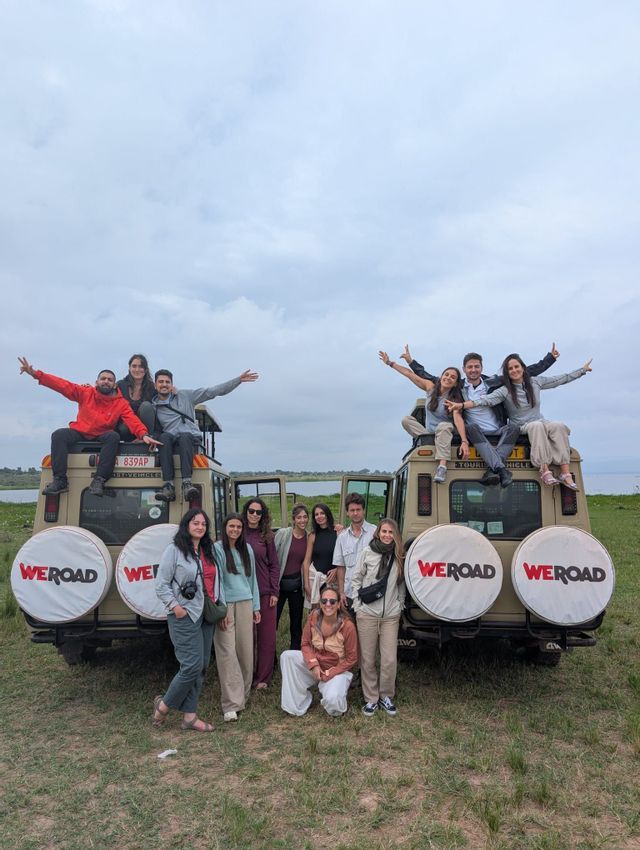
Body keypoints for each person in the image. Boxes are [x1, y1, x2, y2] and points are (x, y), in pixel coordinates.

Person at [401, 343, 560, 487]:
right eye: (470, 367)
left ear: (481, 368)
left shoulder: (494, 382)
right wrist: (410, 361)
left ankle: (494, 469)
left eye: (476, 366)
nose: (473, 370)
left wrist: (550, 359)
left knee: (513, 428)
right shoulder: (458, 387)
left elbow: (524, 372)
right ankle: (501, 469)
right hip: (476, 433)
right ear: (464, 370)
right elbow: (427, 376)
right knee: (471, 427)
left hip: (497, 431)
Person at [18, 356, 160, 497]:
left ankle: (99, 480)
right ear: (96, 382)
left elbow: (132, 419)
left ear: (115, 385)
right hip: (81, 431)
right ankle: (60, 480)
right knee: (58, 435)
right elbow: (62, 385)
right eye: (103, 378)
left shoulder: (120, 402)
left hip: (102, 434)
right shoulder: (85, 392)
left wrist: (144, 435)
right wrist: (36, 374)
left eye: (110, 380)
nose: (106, 381)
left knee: (113, 436)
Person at [448, 355, 593, 490]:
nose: (514, 370)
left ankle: (565, 472)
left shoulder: (533, 382)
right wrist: (461, 405)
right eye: (510, 369)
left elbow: (559, 379)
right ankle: (540, 469)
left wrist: (582, 370)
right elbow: (486, 400)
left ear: (523, 368)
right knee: (536, 427)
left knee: (558, 426)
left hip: (529, 422)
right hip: (519, 425)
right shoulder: (503, 390)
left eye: (517, 367)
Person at [152, 508, 222, 732]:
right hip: (184, 615)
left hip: (206, 614)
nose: (200, 527)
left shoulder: (207, 550)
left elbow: (215, 580)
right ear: (186, 525)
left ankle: (190, 717)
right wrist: (175, 607)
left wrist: (220, 604)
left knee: (201, 666)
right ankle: (163, 706)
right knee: (190, 666)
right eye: (195, 523)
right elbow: (161, 583)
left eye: (203, 524)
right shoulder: (174, 551)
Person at [153, 368, 259, 503]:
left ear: (172, 384)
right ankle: (168, 486)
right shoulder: (154, 406)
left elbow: (212, 392)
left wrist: (238, 380)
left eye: (167, 382)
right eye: (161, 382)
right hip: (171, 441)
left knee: (185, 436)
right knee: (163, 438)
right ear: (155, 385)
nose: (164, 384)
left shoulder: (185, 396)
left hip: (189, 438)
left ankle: (187, 483)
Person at [378, 353, 469, 485]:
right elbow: (410, 374)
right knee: (406, 420)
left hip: (445, 433)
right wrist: (390, 363)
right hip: (429, 434)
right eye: (447, 375)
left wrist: (464, 441)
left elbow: (458, 418)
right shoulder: (430, 387)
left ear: (455, 384)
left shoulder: (454, 399)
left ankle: (442, 467)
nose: (448, 378)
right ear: (442, 376)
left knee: (444, 425)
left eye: (453, 377)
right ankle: (426, 442)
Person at [350, 519, 406, 717]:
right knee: (367, 658)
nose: (387, 535)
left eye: (391, 532)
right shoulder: (368, 552)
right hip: (368, 614)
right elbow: (356, 579)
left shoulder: (399, 555)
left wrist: (399, 605)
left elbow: (401, 583)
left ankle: (386, 696)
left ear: (395, 534)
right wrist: (358, 606)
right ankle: (371, 698)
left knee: (389, 659)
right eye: (384, 531)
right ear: (378, 533)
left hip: (390, 615)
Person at [280, 583, 358, 717]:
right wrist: (313, 664)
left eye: (332, 601)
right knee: (287, 656)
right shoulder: (313, 616)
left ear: (339, 604)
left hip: (336, 670)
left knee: (334, 706)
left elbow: (352, 658)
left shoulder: (348, 626)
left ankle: (331, 692)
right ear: (320, 603)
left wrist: (330, 673)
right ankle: (299, 703)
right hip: (316, 664)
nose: (328, 604)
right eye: (324, 601)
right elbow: (305, 644)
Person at [212, 513, 261, 722]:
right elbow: (217, 580)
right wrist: (221, 609)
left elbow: (252, 580)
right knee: (227, 652)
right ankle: (231, 704)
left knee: (245, 651)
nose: (235, 530)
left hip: (245, 602)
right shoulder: (217, 548)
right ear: (225, 527)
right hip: (226, 604)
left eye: (238, 527)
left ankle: (243, 695)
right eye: (231, 526)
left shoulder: (246, 549)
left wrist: (255, 607)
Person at [242, 498, 280, 690]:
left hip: (265, 592)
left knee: (266, 636)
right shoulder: (237, 533)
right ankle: (247, 674)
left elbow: (274, 565)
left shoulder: (267, 536)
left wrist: (275, 591)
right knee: (246, 637)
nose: (254, 515)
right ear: (245, 511)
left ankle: (264, 677)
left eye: (258, 512)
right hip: (243, 594)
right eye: (251, 511)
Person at [333, 492, 377, 611]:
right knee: (349, 628)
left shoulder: (376, 533)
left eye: (358, 509)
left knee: (366, 630)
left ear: (363, 510)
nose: (356, 513)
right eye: (352, 510)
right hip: (349, 594)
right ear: (347, 512)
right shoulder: (342, 537)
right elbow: (341, 567)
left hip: (370, 593)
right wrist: (341, 592)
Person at [274, 503, 309, 651]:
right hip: (279, 585)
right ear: (294, 519)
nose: (302, 520)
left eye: (305, 517)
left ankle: (295, 655)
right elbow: (272, 558)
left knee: (296, 623)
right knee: (272, 622)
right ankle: (270, 658)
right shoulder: (283, 533)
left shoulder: (309, 538)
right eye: (299, 517)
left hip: (296, 586)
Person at [302, 503, 338, 607]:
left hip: (333, 582)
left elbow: (344, 559)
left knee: (332, 613)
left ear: (327, 514)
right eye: (316, 514)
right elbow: (306, 561)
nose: (319, 516)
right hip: (316, 581)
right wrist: (306, 585)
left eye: (322, 513)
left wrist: (336, 570)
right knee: (316, 614)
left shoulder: (338, 533)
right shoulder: (312, 536)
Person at [116, 353, 156, 440]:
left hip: (145, 427)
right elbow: (105, 391)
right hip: (125, 426)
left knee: (146, 406)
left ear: (145, 370)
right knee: (124, 427)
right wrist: (88, 387)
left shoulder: (152, 387)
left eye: (141, 366)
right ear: (129, 368)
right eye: (134, 366)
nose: (137, 369)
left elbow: (163, 397)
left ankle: (147, 438)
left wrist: (173, 391)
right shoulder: (120, 385)